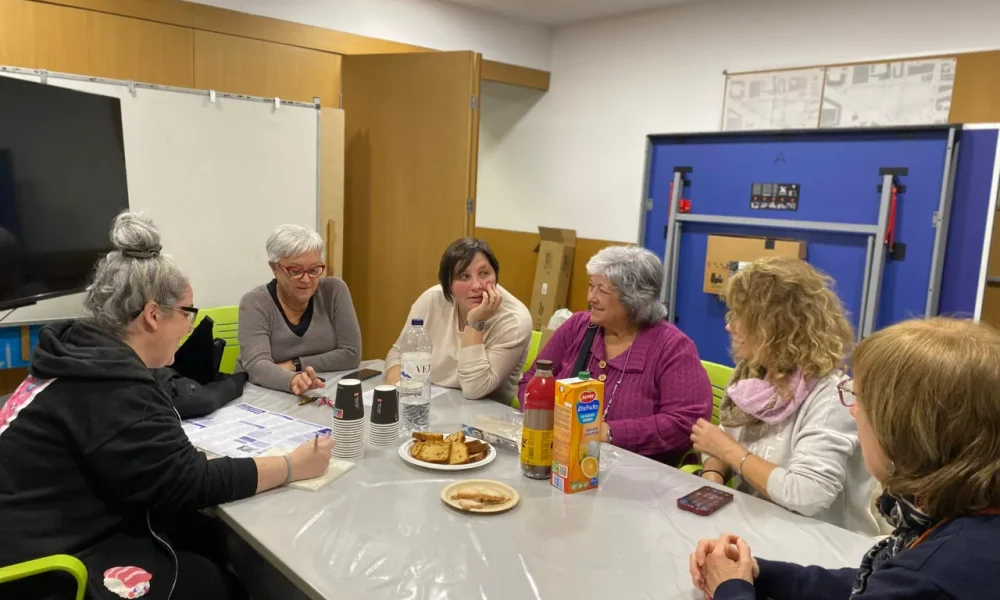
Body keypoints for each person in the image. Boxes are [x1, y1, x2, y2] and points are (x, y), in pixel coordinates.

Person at [0, 212, 334, 600]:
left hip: (32, 532)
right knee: (217, 584)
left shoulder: (76, 354)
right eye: (187, 313)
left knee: (204, 536)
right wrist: (293, 465)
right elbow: (192, 482)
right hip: (44, 571)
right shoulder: (113, 389)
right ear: (153, 316)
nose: (192, 326)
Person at [689, 317, 1000, 600]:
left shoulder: (929, 577)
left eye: (858, 398)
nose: (851, 409)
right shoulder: (958, 522)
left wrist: (731, 589)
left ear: (902, 433)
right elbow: (870, 580)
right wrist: (758, 574)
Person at [689, 257, 878, 535]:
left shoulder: (832, 397)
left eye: (739, 316)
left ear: (774, 327)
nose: (730, 326)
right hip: (759, 527)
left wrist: (727, 450)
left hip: (824, 545)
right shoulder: (752, 376)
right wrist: (714, 475)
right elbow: (721, 441)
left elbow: (809, 494)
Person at [519, 245, 711, 464]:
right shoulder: (577, 327)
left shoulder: (672, 347)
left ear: (633, 298)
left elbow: (686, 422)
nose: (591, 297)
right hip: (563, 459)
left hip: (638, 475)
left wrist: (610, 433)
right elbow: (531, 380)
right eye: (591, 286)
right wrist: (544, 416)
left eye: (602, 290)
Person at [385, 237, 532, 400]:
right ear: (448, 284)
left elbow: (474, 388)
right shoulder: (431, 300)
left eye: (484, 273)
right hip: (427, 401)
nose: (477, 286)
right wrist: (399, 387)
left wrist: (475, 322)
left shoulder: (514, 320)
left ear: (495, 275)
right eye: (464, 276)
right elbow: (398, 353)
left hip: (483, 416)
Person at [239, 224, 361, 395]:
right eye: (295, 271)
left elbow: (351, 354)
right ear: (274, 268)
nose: (306, 279)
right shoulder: (255, 302)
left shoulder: (334, 291)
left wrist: (294, 364)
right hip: (260, 394)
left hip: (319, 389)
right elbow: (257, 366)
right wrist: (292, 380)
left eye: (313, 270)